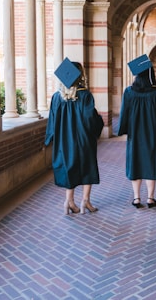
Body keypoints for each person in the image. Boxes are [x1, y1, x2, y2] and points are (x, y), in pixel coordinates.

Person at [45, 58, 104, 215]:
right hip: (83, 139)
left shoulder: (57, 97)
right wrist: (99, 122)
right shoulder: (85, 96)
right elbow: (90, 119)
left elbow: (52, 121)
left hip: (64, 140)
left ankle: (69, 201)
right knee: (87, 167)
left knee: (69, 168)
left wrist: (50, 138)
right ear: (80, 77)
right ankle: (85, 201)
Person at [117, 54, 156, 209]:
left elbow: (124, 114)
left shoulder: (129, 92)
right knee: (151, 163)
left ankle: (136, 198)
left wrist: (123, 130)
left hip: (135, 135)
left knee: (136, 164)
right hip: (153, 135)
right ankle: (150, 198)